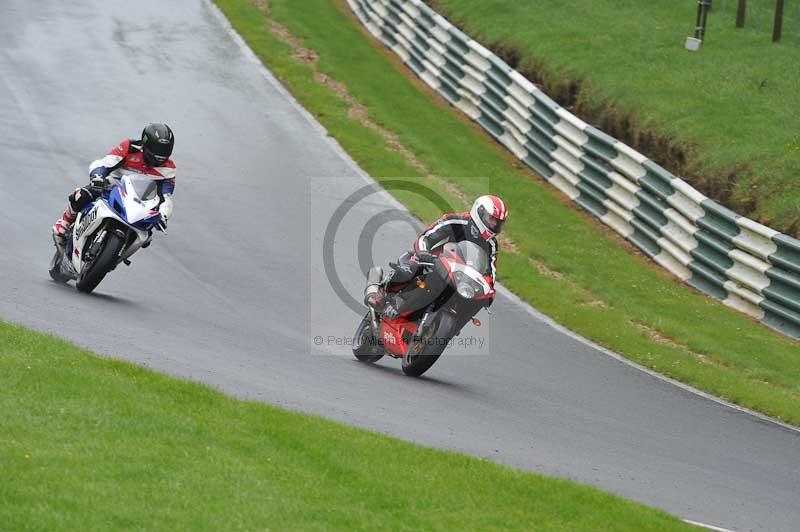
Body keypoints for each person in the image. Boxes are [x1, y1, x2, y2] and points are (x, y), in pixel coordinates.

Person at [367, 195, 508, 319]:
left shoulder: (491, 245)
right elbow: (425, 238)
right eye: (492, 219)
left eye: (498, 223)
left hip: (460, 280)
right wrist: (424, 253)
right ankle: (381, 292)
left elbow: (491, 274)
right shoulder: (455, 221)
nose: (494, 225)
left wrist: (489, 291)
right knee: (409, 269)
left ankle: (442, 333)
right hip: (431, 262)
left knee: (475, 302)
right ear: (480, 212)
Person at [52, 123, 176, 248]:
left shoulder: (169, 169)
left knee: (146, 237)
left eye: (165, 150)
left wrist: (163, 215)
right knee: (83, 195)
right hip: (114, 186)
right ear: (146, 143)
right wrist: (98, 177)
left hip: (141, 202)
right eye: (158, 149)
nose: (161, 154)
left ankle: (117, 253)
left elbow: (166, 198)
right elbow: (103, 163)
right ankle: (65, 221)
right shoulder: (129, 147)